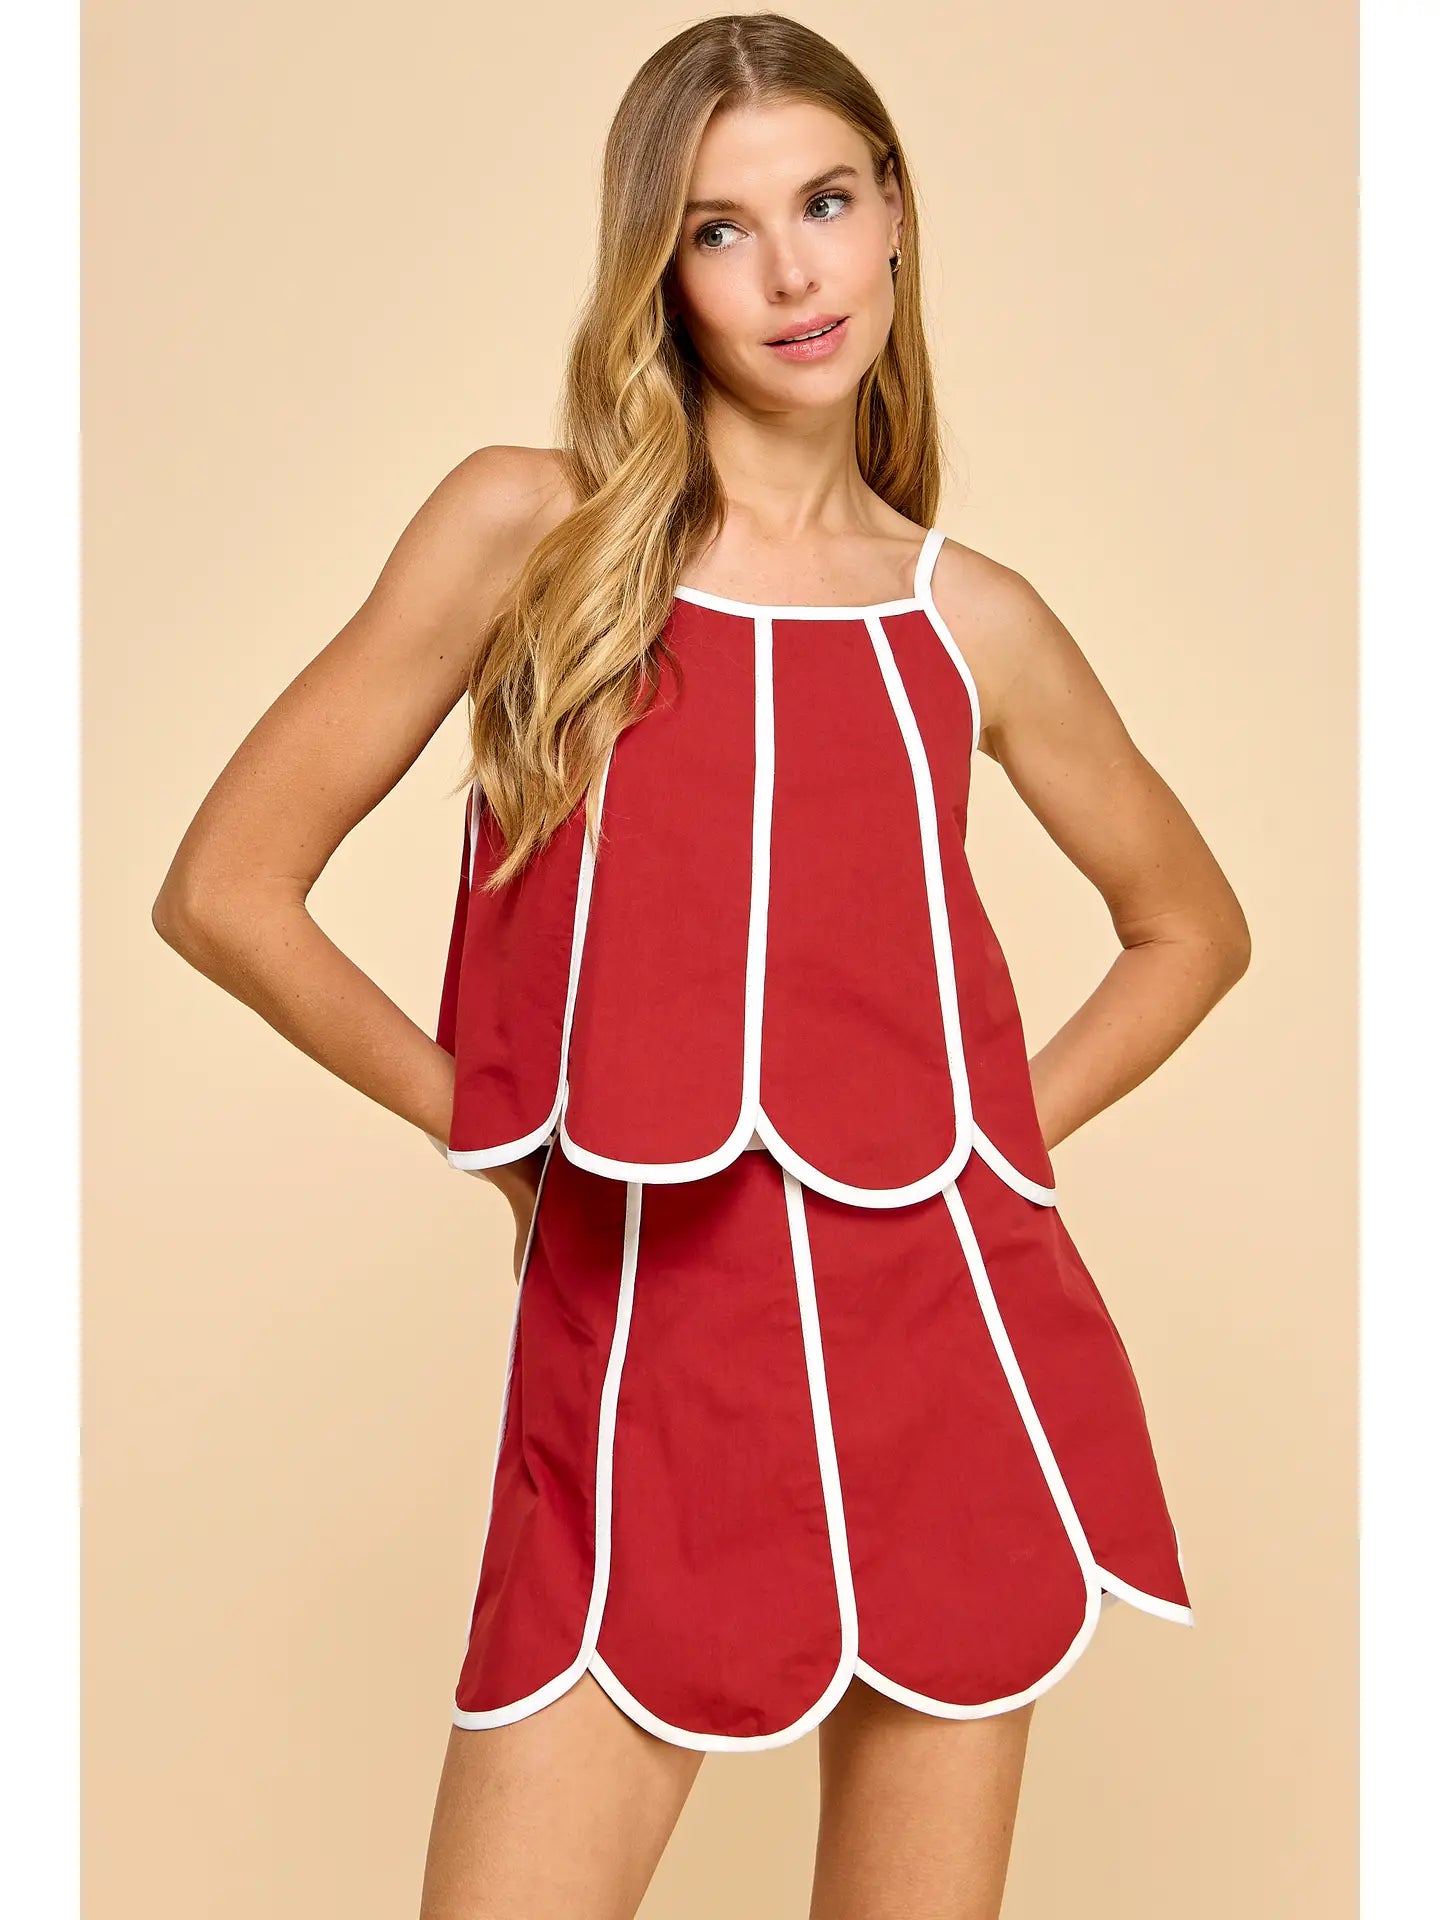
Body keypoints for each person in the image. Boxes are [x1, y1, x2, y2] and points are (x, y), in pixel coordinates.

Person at [152, 13, 1250, 1918]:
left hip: (949, 1376)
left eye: (825, 203)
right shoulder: (534, 529)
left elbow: (1192, 928)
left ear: (895, 215)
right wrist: (506, 1135)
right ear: (658, 270)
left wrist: (973, 1140)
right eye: (720, 229)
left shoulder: (971, 620)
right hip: (644, 1365)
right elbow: (227, 888)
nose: (793, 274)